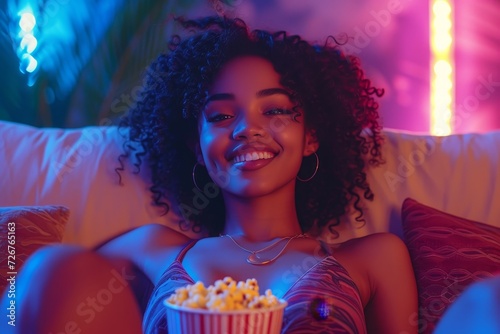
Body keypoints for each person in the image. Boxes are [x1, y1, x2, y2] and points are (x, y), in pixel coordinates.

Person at [2, 16, 417, 333]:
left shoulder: (373, 258)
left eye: (273, 110)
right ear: (196, 150)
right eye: (220, 115)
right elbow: (31, 300)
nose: (246, 129)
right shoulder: (151, 249)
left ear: (311, 137)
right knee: (52, 266)